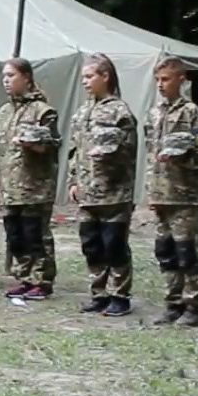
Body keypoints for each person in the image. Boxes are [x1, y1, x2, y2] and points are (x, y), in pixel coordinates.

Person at [67, 54, 139, 317]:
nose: (85, 82)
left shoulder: (120, 111)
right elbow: (75, 151)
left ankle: (120, 295)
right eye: (83, 77)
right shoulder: (82, 112)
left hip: (113, 192)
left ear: (105, 77)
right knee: (91, 244)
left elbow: (128, 151)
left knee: (114, 245)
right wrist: (73, 181)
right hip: (87, 193)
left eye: (90, 76)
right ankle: (99, 293)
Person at [145, 57, 198, 326]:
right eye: (158, 80)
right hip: (161, 193)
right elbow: (151, 155)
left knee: (187, 251)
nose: (161, 85)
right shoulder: (155, 113)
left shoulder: (192, 113)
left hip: (185, 194)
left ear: (181, 80)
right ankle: (172, 302)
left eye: (166, 79)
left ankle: (193, 304)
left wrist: (182, 158)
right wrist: (151, 192)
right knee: (165, 251)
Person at [0, 59, 60, 300]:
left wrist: (35, 144)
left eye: (11, 75)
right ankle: (24, 277)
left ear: (27, 78)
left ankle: (41, 280)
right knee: (15, 234)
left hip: (35, 186)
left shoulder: (42, 111)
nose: (6, 81)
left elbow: (52, 145)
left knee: (35, 234)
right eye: (4, 76)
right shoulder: (2, 114)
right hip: (10, 186)